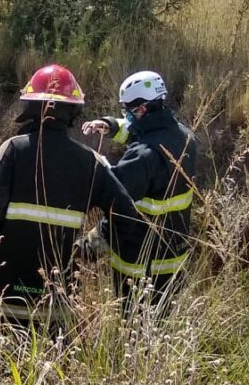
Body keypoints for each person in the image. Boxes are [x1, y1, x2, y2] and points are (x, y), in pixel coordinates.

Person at [0, 64, 146, 362]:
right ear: (74, 112)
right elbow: (128, 218)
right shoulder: (91, 163)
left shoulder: (13, 151)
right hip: (52, 311)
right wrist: (88, 249)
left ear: (29, 106)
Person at [81, 70, 198, 312]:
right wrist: (111, 125)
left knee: (134, 323)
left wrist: (88, 246)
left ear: (142, 109)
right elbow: (138, 130)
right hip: (174, 254)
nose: (126, 116)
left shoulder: (143, 157)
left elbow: (116, 203)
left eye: (127, 110)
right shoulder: (184, 136)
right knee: (164, 322)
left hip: (139, 262)